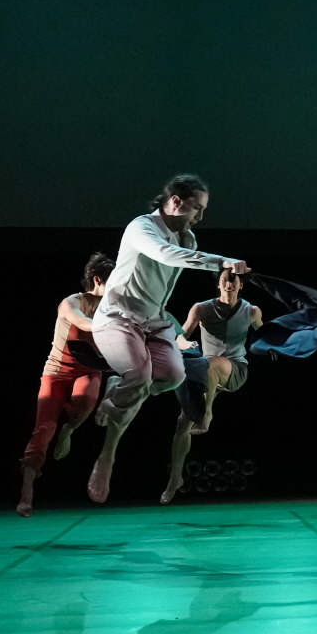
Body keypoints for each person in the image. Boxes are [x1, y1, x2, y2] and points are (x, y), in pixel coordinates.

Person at [87, 173, 250, 504]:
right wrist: (220, 262)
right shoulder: (141, 228)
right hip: (118, 319)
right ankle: (107, 456)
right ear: (175, 201)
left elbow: (170, 273)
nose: (200, 217)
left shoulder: (188, 238)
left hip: (154, 322)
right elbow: (165, 254)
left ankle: (116, 390)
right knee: (139, 375)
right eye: (197, 208)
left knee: (174, 376)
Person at [16, 252, 116, 516]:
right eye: (114, 280)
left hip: (89, 371)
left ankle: (69, 429)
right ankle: (27, 491)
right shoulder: (71, 302)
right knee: (44, 429)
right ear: (98, 280)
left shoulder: (113, 305)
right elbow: (83, 322)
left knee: (85, 402)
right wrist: (111, 324)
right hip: (57, 372)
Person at [162, 263, 264, 503]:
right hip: (205, 370)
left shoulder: (251, 311)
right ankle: (176, 478)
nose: (229, 284)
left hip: (234, 370)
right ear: (218, 284)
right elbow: (180, 337)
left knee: (213, 363)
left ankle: (207, 414)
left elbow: (265, 335)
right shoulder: (201, 308)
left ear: (240, 284)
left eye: (233, 280)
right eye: (225, 279)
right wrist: (186, 344)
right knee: (183, 422)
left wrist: (278, 344)